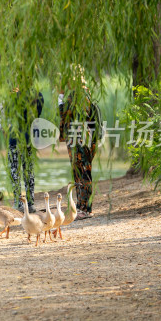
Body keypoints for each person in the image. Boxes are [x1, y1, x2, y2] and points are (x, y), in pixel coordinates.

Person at [58, 82, 100, 220]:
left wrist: (60, 96)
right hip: (82, 137)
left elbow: (65, 114)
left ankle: (85, 209)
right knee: (80, 172)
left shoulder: (79, 95)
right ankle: (82, 206)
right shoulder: (84, 93)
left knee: (82, 172)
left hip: (79, 138)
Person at [7, 88, 44, 212]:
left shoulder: (14, 96)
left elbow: (9, 113)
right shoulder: (38, 95)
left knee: (15, 171)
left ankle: (18, 202)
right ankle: (30, 203)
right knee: (28, 170)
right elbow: (37, 114)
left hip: (15, 137)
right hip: (30, 137)